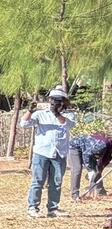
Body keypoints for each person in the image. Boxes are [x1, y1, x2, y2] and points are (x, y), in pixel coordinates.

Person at [22, 87, 77, 217]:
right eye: (52, 99)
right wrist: (30, 111)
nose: (53, 103)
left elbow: (68, 124)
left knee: (56, 183)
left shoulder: (69, 115)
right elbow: (24, 124)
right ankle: (33, 208)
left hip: (59, 154)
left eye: (57, 100)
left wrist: (56, 113)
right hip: (41, 153)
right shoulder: (40, 114)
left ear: (63, 102)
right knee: (38, 181)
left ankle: (52, 209)